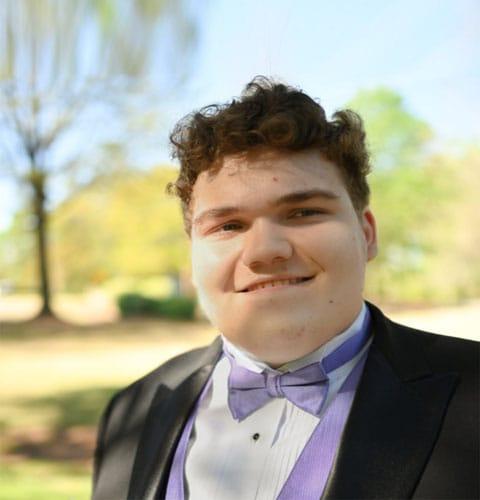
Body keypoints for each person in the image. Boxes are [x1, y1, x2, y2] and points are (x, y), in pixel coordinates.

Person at [92, 77, 479, 500]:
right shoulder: (130, 410)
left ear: (366, 234)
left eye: (302, 212)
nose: (265, 251)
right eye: (229, 225)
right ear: (194, 252)